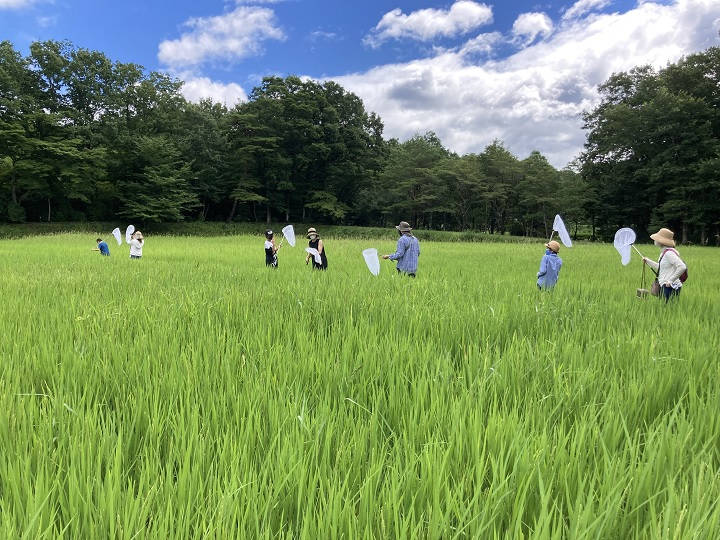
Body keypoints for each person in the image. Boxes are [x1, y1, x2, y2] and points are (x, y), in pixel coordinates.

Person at [642, 228, 687, 302]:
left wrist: (670, 280)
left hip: (670, 287)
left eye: (657, 238)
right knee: (665, 308)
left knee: (668, 309)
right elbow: (661, 267)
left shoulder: (669, 253)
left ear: (662, 241)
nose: (655, 240)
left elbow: (682, 267)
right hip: (666, 285)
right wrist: (648, 261)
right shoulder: (664, 252)